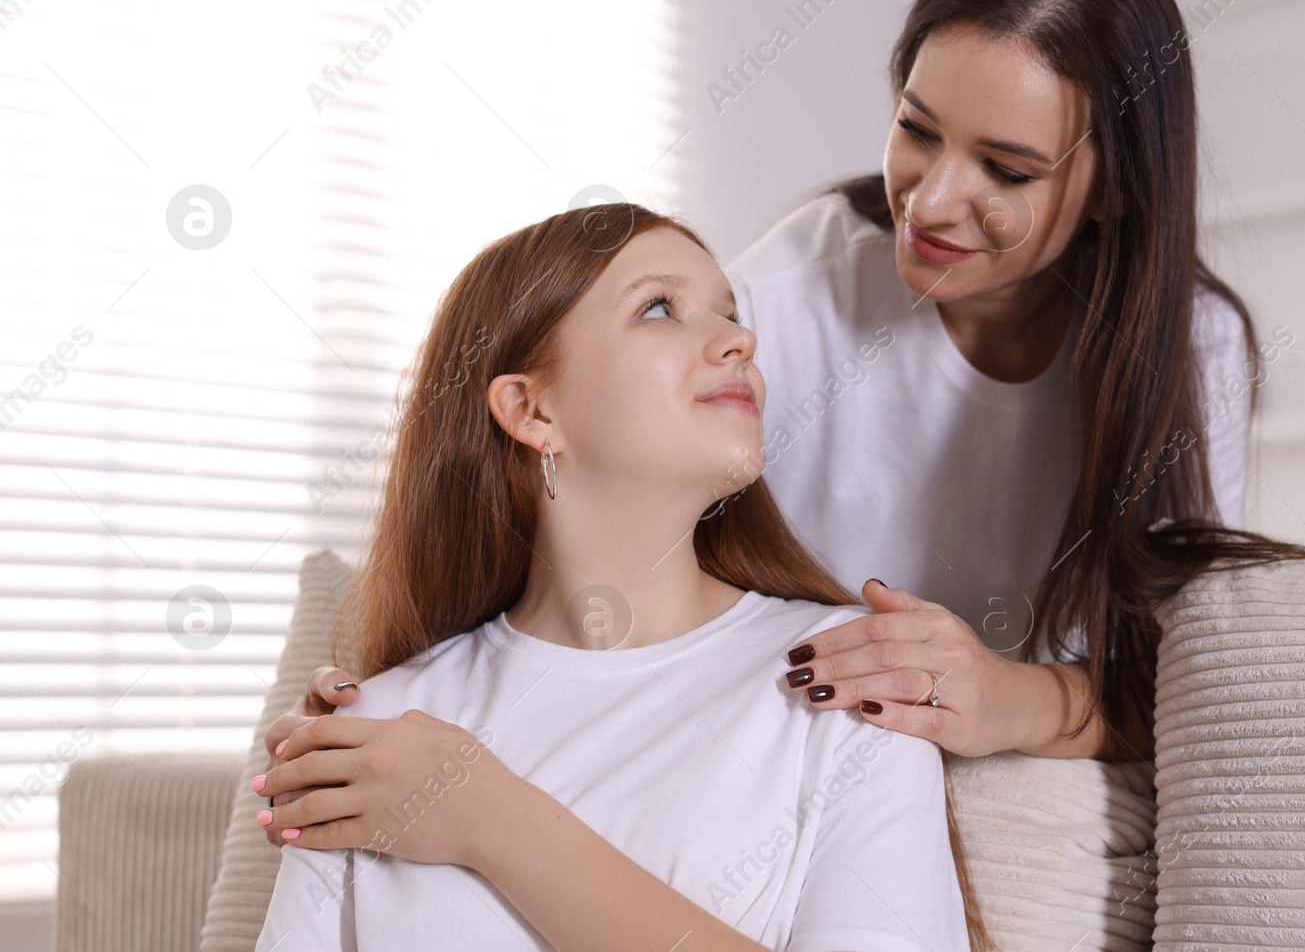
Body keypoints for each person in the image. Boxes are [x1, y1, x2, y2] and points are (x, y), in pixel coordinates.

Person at [261, 0, 1305, 877]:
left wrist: (1009, 694)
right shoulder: (801, 283)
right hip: (770, 734)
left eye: (1004, 168)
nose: (934, 200)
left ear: (1115, 193)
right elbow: (590, 503)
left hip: (921, 762)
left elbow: (1175, 680)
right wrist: (412, 688)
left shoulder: (1192, 346)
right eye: (917, 129)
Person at [253, 205, 986, 951]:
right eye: (660, 308)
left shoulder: (848, 672)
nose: (742, 339)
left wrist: (489, 817)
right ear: (531, 408)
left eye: (730, 312)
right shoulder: (382, 727)